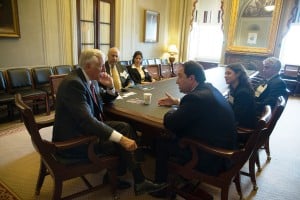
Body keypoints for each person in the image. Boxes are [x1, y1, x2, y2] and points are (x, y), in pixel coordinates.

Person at [52, 49, 166, 196]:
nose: (104, 69)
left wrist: (111, 86)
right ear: (88, 66)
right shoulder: (74, 84)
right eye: (100, 66)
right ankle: (131, 178)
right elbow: (87, 121)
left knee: (125, 127)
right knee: (121, 138)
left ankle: (136, 180)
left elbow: (102, 99)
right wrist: (122, 140)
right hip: (76, 141)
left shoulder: (87, 78)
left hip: (83, 128)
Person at [150, 61, 237, 197]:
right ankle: (179, 177)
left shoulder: (195, 98)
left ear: (191, 78)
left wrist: (172, 111)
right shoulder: (208, 89)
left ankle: (160, 189)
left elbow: (170, 122)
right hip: (227, 151)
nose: (177, 81)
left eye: (180, 77)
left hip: (213, 158)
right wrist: (178, 103)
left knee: (162, 141)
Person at [225, 63, 257, 129]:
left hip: (242, 127)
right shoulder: (233, 88)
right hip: (237, 121)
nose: (225, 76)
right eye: (225, 73)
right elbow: (231, 105)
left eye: (228, 73)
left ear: (238, 74)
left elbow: (236, 115)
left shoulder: (243, 92)